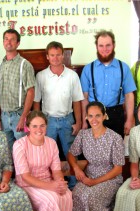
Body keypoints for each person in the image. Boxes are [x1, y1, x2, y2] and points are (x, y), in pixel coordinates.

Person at [13, 110, 75, 211]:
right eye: (34, 126)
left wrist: (59, 182)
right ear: (28, 127)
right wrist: (51, 186)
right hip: (27, 185)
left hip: (48, 181)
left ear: (47, 126)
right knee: (51, 200)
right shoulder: (19, 145)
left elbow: (56, 170)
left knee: (67, 195)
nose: (39, 129)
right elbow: (25, 177)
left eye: (42, 125)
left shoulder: (51, 143)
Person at [68, 101, 125, 211]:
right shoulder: (83, 135)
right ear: (86, 117)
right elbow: (71, 154)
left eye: (98, 116)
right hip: (89, 176)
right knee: (76, 193)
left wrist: (95, 182)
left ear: (105, 116)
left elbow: (118, 169)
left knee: (93, 197)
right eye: (91, 116)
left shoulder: (115, 138)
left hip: (110, 178)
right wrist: (76, 168)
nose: (94, 120)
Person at [33, 41, 84, 189]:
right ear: (47, 56)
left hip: (67, 120)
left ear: (63, 56)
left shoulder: (72, 76)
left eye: (58, 55)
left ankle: (74, 186)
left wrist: (78, 122)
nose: (55, 58)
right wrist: (38, 123)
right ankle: (50, 184)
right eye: (52, 55)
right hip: (48, 121)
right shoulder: (41, 76)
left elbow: (77, 101)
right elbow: (36, 101)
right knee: (47, 153)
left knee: (70, 153)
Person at [80, 30, 136, 139]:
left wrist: (129, 120)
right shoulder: (88, 69)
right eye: (101, 45)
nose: (104, 49)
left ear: (114, 45)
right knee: (94, 151)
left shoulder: (123, 68)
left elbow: (129, 96)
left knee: (116, 149)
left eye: (108, 45)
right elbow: (84, 98)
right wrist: (84, 120)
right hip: (93, 115)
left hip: (116, 114)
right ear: (96, 46)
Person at [0, 29, 35, 151]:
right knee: (9, 153)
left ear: (18, 43)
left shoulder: (25, 65)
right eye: (6, 39)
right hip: (3, 117)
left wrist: (23, 117)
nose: (9, 42)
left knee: (24, 151)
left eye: (12, 39)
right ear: (3, 42)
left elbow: (31, 92)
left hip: (19, 116)